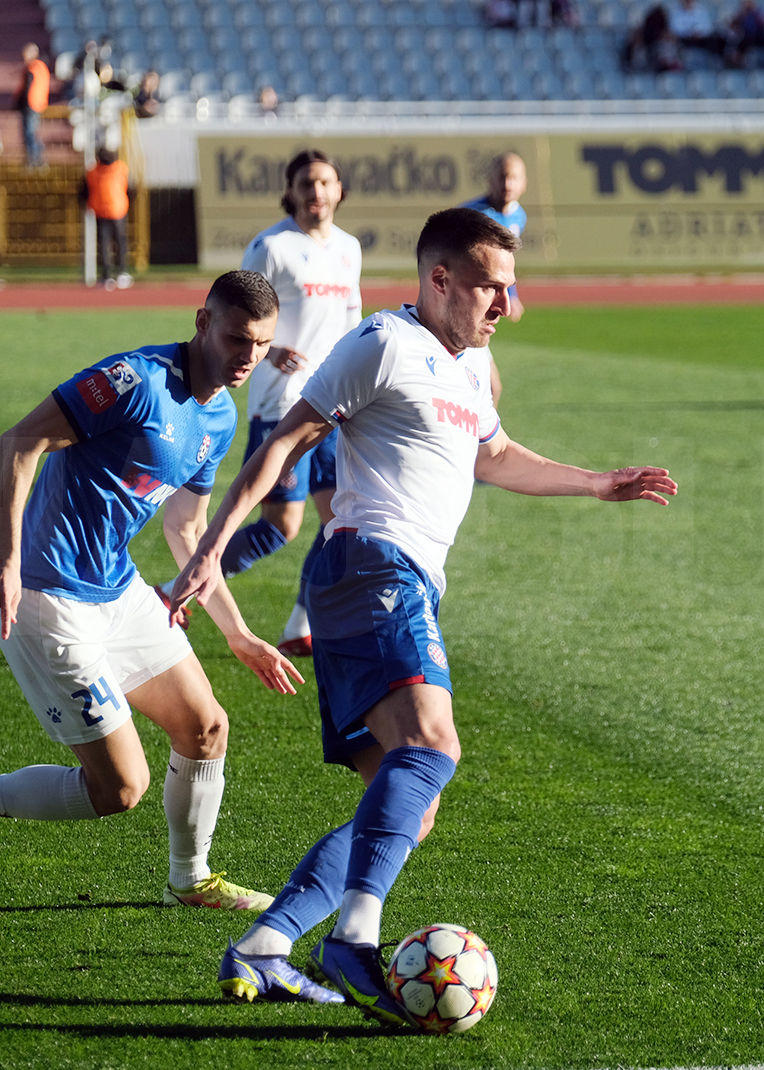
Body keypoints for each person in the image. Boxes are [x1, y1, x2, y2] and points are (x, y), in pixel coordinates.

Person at [170, 208, 677, 1018]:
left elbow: (496, 455)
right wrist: (211, 545)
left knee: (411, 806)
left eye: (511, 289)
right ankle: (353, 940)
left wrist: (595, 482)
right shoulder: (383, 343)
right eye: (490, 288)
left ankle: (266, 945)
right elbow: (288, 441)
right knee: (436, 744)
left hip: (387, 582)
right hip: (372, 565)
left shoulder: (469, 365)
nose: (505, 306)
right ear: (439, 280)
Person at [0, 271, 304, 914]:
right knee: (119, 789)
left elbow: (188, 528)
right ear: (202, 323)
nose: (248, 357)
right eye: (236, 338)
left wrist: (238, 632)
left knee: (206, 727)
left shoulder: (220, 417)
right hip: (48, 597)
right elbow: (19, 442)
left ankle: (189, 881)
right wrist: (6, 561)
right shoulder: (134, 381)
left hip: (118, 590)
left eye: (260, 345)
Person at [170, 149, 361, 661]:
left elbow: (352, 319)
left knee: (341, 521)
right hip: (283, 405)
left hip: (336, 408)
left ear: (340, 189)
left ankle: (302, 624)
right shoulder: (273, 246)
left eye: (324, 182)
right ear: (291, 191)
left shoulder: (349, 249)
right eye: (306, 183)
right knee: (280, 525)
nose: (316, 192)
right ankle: (182, 586)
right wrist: (269, 350)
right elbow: (235, 310)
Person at [460, 150, 527, 345]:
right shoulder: (471, 215)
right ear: (491, 180)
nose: (507, 184)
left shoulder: (519, 216)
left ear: (524, 183)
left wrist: (511, 295)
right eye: (502, 177)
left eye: (513, 178)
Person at [84, 147, 132, 289]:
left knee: (106, 245)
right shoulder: (121, 168)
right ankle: (121, 272)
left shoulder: (93, 172)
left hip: (105, 212)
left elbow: (83, 191)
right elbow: (131, 189)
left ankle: (109, 275)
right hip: (117, 211)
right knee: (118, 243)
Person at [15, 42, 50, 168]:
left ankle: (34, 161)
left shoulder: (33, 68)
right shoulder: (40, 67)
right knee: (32, 133)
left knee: (29, 133)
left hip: (31, 104)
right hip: (37, 104)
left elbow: (27, 88)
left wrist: (18, 102)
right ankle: (37, 160)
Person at [622, 4, 684, 72]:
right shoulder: (641, 33)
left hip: (656, 57)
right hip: (644, 61)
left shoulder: (666, 34)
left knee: (667, 46)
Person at [727, 0, 764, 66]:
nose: (748, 4)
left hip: (757, 39)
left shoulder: (757, 14)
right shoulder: (741, 14)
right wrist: (742, 14)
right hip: (743, 39)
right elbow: (733, 25)